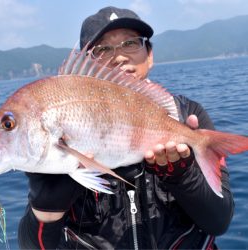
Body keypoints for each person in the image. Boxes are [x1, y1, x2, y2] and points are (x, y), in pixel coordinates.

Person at [18, 6, 234, 249]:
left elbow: (219, 222)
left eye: (130, 43)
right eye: (101, 49)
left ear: (150, 55)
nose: (119, 56)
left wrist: (184, 176)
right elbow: (30, 245)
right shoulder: (64, 125)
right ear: (85, 66)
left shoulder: (187, 116)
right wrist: (46, 206)